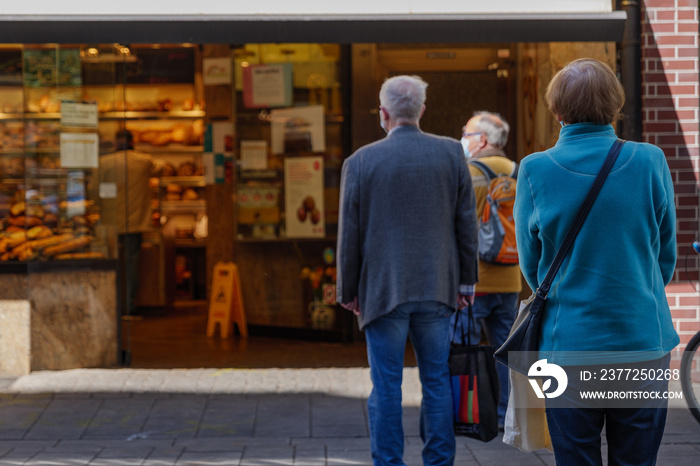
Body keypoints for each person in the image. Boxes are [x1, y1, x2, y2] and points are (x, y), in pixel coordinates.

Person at [514, 58, 678, 465]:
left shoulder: (534, 170)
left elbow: (532, 267)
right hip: (641, 340)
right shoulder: (649, 160)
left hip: (567, 346)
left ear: (557, 111)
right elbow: (666, 256)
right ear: (615, 107)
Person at [336, 75, 479, 466]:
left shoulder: (360, 161)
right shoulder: (452, 154)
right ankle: (438, 461)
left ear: (383, 114)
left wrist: (347, 290)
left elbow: (349, 234)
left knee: (385, 387)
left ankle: (389, 462)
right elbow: (466, 224)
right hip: (438, 286)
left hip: (382, 292)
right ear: (422, 111)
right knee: (436, 382)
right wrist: (466, 282)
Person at [456, 111, 521, 429]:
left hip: (473, 282)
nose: (462, 140)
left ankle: (467, 412)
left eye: (466, 135)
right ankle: (505, 415)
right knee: (506, 353)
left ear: (481, 140)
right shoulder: (519, 171)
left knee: (463, 350)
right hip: (510, 279)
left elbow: (458, 226)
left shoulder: (467, 172)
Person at [99, 129, 164, 316]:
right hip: (134, 222)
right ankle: (128, 306)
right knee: (131, 264)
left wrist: (108, 198)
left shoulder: (104, 163)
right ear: (132, 141)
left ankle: (110, 304)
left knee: (111, 262)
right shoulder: (144, 160)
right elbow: (161, 167)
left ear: (115, 142)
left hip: (110, 221)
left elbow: (95, 189)